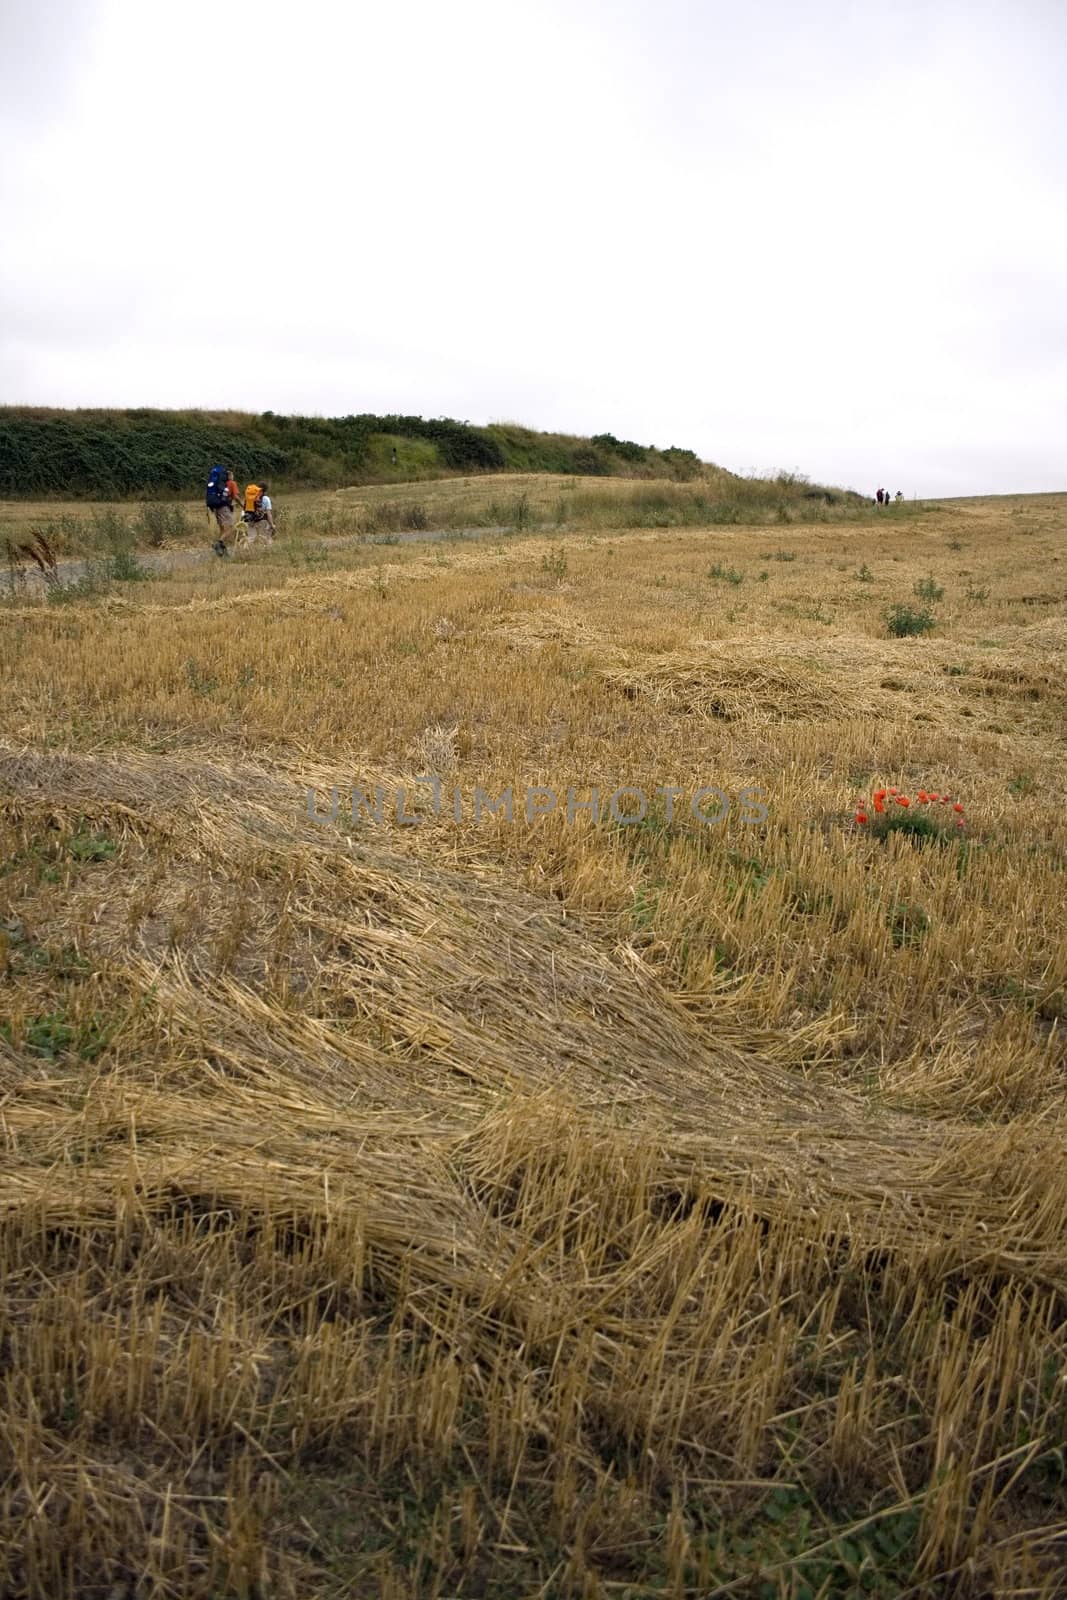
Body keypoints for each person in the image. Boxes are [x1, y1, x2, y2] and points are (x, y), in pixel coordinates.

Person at [206, 464, 239, 556]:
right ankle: (218, 543)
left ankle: (221, 550)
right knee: (231, 528)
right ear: (229, 476)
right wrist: (242, 505)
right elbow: (235, 496)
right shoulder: (232, 483)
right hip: (224, 508)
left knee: (223, 529)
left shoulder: (220, 485)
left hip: (217, 507)